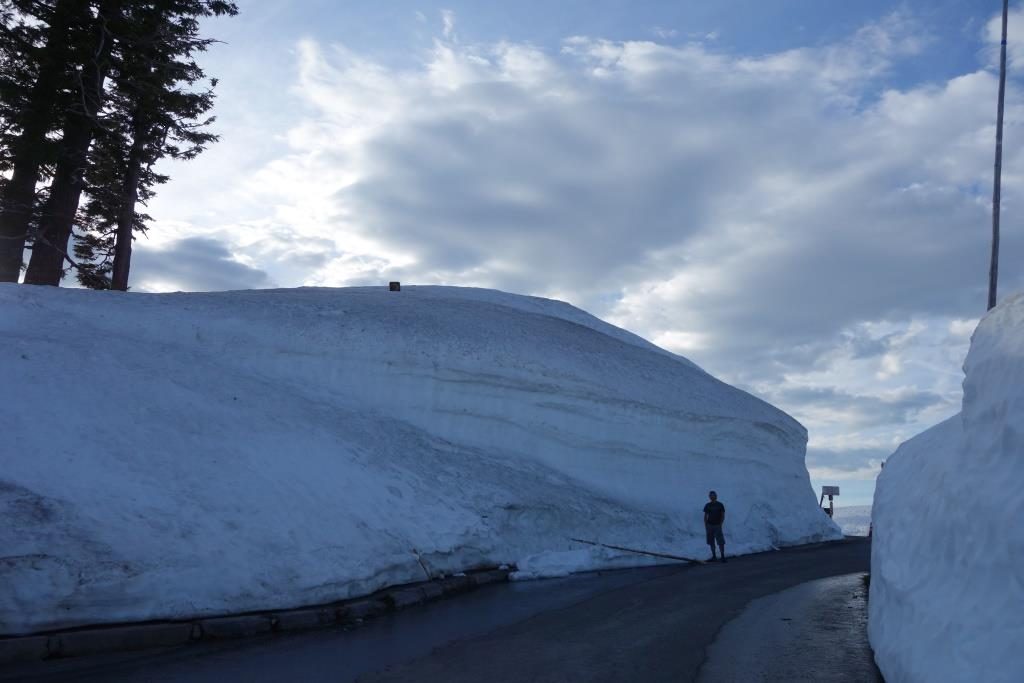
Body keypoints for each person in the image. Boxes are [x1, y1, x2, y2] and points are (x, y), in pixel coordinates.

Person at [703, 490, 727, 562]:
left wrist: (720, 524)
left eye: (713, 495)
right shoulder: (707, 505)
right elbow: (705, 516)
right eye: (711, 496)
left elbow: (723, 515)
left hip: (717, 525)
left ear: (716, 496)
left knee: (720, 541)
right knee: (711, 541)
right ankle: (714, 556)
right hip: (709, 525)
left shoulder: (720, 505)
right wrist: (706, 525)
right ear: (709, 497)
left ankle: (723, 556)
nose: (712, 497)